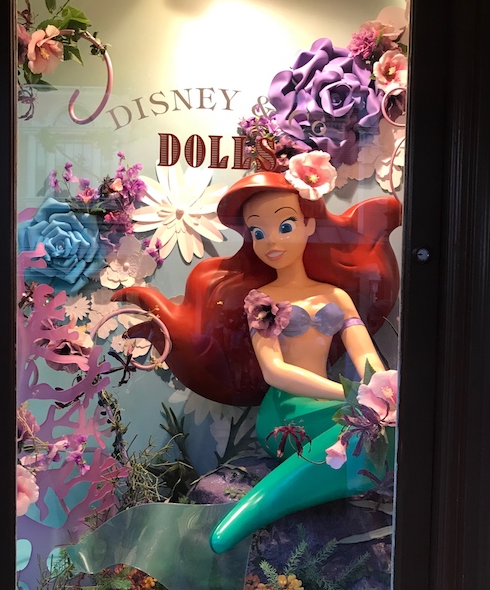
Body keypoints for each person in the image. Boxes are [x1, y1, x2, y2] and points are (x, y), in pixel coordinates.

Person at [113, 157, 401, 553]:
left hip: (326, 405)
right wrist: (351, 396)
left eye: (285, 226)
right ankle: (253, 512)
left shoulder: (335, 295)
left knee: (379, 425)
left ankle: (259, 509)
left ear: (309, 225)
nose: (271, 242)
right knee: (362, 427)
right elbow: (275, 371)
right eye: (258, 232)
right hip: (284, 412)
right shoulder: (262, 301)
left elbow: (368, 360)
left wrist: (382, 396)